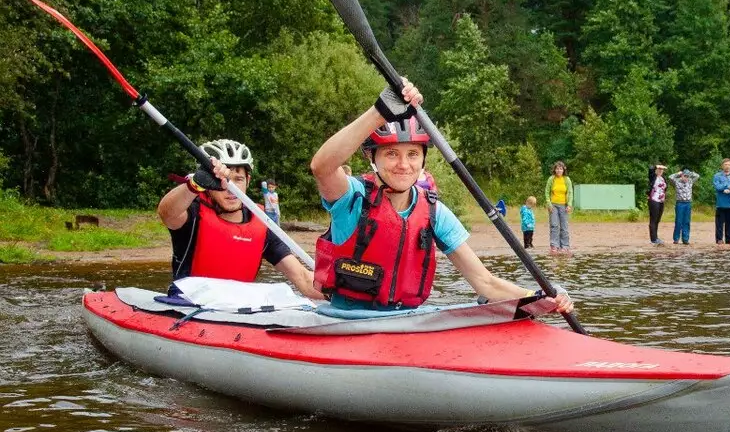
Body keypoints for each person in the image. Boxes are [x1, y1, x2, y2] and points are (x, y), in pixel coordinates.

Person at [309, 81, 574, 315]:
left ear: (423, 158)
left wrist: (541, 298)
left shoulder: (434, 211)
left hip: (402, 323)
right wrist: (378, 112)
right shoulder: (352, 197)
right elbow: (321, 166)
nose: (404, 164)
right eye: (391, 154)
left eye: (412, 154)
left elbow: (485, 282)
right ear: (372, 157)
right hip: (346, 322)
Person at [156, 139, 321, 299]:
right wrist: (194, 185)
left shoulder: (262, 225)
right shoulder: (193, 213)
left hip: (235, 313)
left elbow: (304, 280)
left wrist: (343, 295)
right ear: (208, 184)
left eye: (238, 180)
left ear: (248, 181)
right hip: (190, 310)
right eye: (220, 181)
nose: (229, 188)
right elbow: (167, 214)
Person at [544, 160, 573, 253]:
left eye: (560, 169)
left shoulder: (567, 179)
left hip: (564, 205)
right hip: (553, 205)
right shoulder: (551, 179)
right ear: (555, 170)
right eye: (557, 169)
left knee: (564, 226)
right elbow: (547, 192)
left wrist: (569, 205)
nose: (559, 170)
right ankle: (554, 246)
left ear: (563, 170)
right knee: (554, 225)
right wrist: (549, 204)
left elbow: (570, 192)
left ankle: (565, 246)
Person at [712, 157, 730, 246]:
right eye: (725, 164)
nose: (727, 166)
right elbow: (717, 187)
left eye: (729, 164)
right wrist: (728, 185)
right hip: (721, 204)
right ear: (722, 166)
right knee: (720, 223)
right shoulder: (717, 176)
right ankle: (719, 239)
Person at [669, 167, 700, 245]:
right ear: (682, 175)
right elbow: (670, 177)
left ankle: (685, 239)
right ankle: (676, 239)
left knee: (686, 222)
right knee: (678, 221)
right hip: (680, 203)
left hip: (688, 203)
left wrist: (691, 173)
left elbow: (697, 176)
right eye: (684, 176)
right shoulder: (676, 181)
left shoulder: (690, 181)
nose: (686, 177)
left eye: (687, 176)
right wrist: (678, 173)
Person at [647, 163, 667, 245]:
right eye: (659, 169)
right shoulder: (653, 177)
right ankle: (653, 239)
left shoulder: (663, 178)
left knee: (657, 220)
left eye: (662, 170)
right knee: (653, 220)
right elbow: (650, 169)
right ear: (656, 170)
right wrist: (656, 166)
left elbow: (664, 188)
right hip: (653, 200)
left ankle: (656, 238)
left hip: (661, 201)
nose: (660, 171)